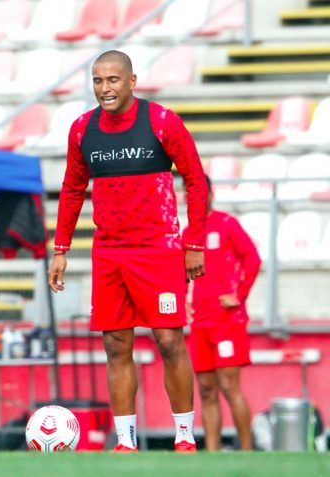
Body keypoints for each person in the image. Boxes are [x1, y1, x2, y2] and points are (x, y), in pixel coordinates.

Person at [47, 50, 208, 453]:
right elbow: (71, 190)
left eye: (113, 80)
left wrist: (193, 242)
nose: (105, 88)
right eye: (98, 81)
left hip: (158, 249)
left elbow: (196, 180)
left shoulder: (162, 121)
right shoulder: (83, 129)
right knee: (115, 344)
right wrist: (60, 249)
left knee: (169, 342)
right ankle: (125, 442)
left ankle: (185, 436)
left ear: (132, 82)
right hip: (109, 252)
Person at [184, 176, 260, 451]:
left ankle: (248, 451)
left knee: (230, 386)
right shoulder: (188, 232)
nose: (194, 198)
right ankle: (212, 454)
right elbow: (180, 272)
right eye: (189, 193)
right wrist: (183, 299)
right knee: (205, 389)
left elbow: (252, 258)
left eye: (199, 192)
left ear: (211, 194)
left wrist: (238, 296)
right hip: (200, 323)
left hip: (227, 321)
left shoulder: (226, 224)